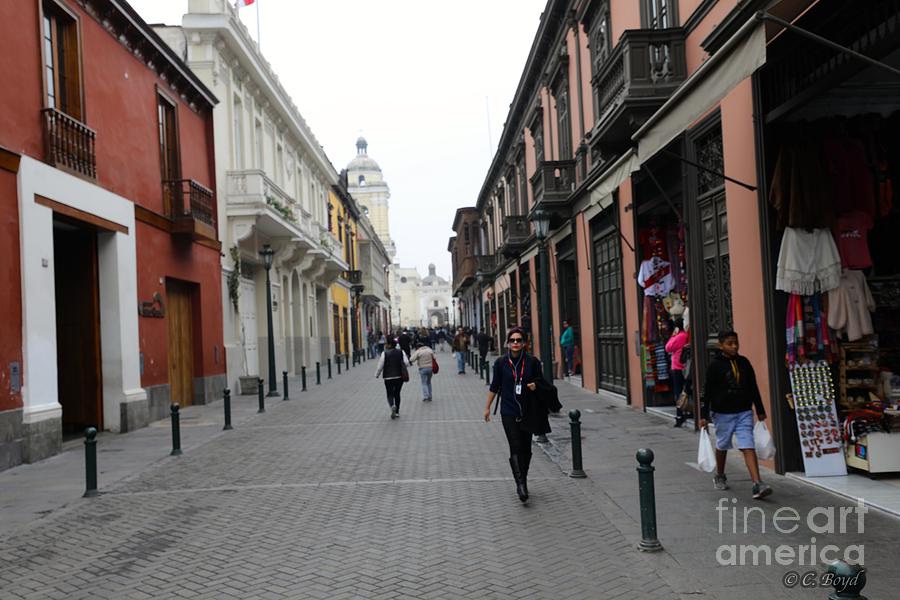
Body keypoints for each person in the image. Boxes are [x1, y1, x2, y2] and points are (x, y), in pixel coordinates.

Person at [699, 330, 772, 500]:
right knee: (722, 444)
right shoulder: (714, 366)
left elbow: (753, 386)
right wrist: (703, 414)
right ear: (721, 345)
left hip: (744, 411)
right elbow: (706, 391)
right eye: (730, 343)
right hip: (722, 413)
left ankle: (757, 483)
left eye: (736, 343)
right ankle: (720, 474)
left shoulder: (744, 362)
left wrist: (760, 409)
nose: (734, 346)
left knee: (748, 444)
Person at [483, 327, 546, 502]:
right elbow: (495, 386)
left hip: (528, 410)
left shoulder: (533, 362)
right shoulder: (501, 363)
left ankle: (522, 479)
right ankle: (521, 485)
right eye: (512, 340)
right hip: (508, 410)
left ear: (524, 343)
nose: (516, 343)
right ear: (508, 343)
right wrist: (487, 407)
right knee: (515, 445)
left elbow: (542, 383)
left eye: (519, 340)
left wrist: (536, 386)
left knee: (527, 448)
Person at [374, 338, 410, 419]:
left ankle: (392, 406)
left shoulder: (384, 353)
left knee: (389, 393)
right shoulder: (401, 352)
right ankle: (397, 412)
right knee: (397, 393)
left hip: (388, 377)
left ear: (389, 345)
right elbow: (407, 363)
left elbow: (380, 365)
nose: (385, 345)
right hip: (399, 376)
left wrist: (377, 374)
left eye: (386, 344)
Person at [665, 318, 689, 427]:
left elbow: (668, 347)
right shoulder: (686, 336)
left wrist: (673, 336)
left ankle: (680, 415)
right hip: (685, 367)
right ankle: (687, 411)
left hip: (677, 367)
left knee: (678, 392)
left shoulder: (679, 336)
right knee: (686, 390)